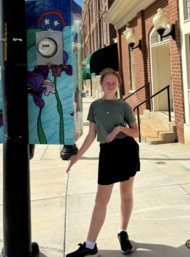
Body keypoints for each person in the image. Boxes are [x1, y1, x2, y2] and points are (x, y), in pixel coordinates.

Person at [66, 68, 141, 256]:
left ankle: (122, 233)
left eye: (114, 82)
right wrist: (77, 156)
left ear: (119, 85)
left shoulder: (124, 106)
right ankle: (90, 245)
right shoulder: (95, 106)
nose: (110, 85)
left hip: (126, 151)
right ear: (101, 84)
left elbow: (136, 132)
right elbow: (91, 135)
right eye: (107, 82)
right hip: (107, 153)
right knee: (101, 200)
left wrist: (119, 129)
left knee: (126, 193)